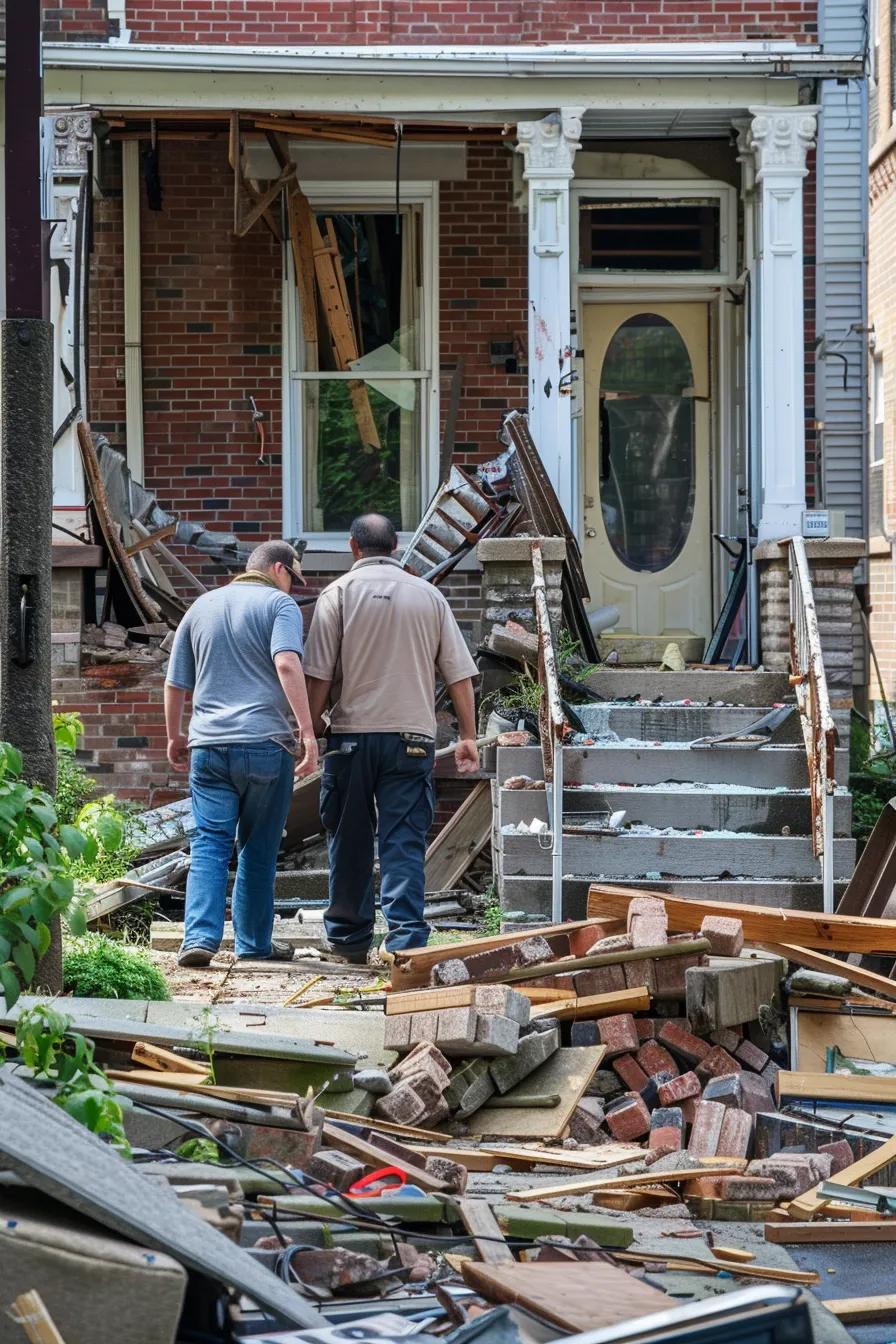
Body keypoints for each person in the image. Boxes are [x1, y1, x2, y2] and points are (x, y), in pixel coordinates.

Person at [303, 513, 479, 963]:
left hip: (351, 739)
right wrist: (468, 736)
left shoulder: (337, 594)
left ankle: (348, 941)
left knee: (349, 838)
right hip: (412, 739)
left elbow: (319, 675)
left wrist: (310, 725)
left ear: (352, 546)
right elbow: (459, 675)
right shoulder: (429, 596)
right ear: (396, 547)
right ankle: (405, 943)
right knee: (403, 840)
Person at [164, 540, 319, 967]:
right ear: (279, 570)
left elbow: (176, 683)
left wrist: (175, 735)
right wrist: (307, 733)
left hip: (208, 747)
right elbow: (287, 664)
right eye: (293, 580)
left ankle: (199, 939)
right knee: (258, 846)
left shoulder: (201, 607)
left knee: (209, 844)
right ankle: (253, 944)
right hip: (264, 745)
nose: (292, 589)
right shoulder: (279, 606)